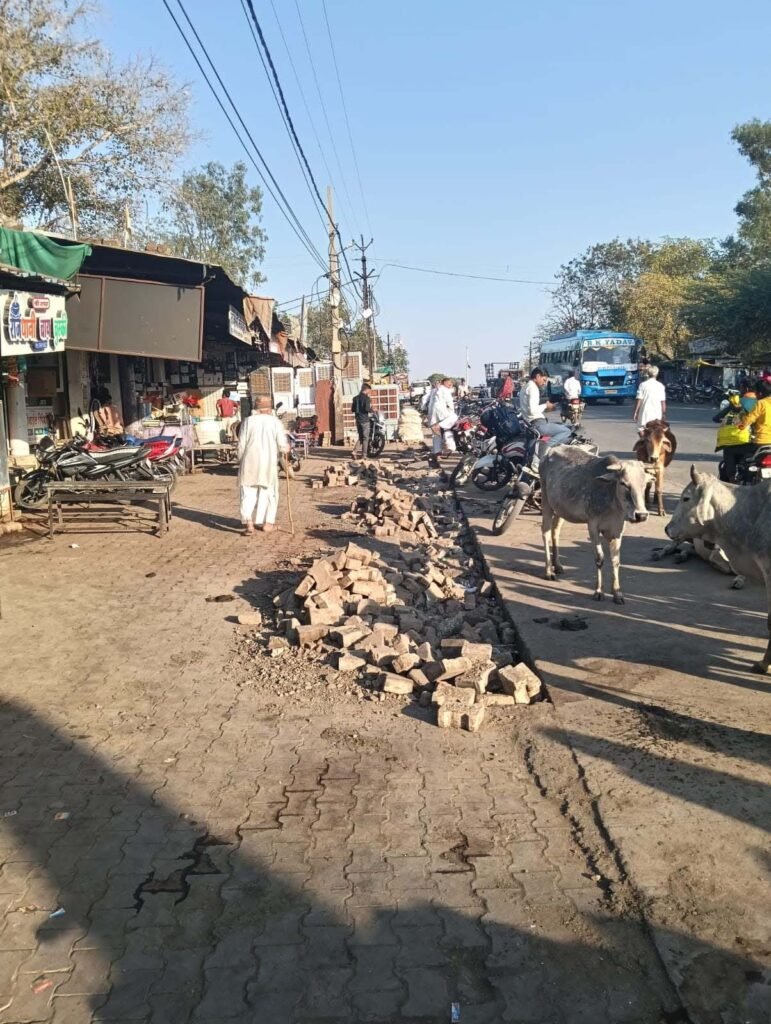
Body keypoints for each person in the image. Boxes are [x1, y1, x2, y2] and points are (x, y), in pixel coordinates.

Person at [237, 395, 288, 536]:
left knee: (247, 493)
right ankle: (267, 523)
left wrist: (240, 461)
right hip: (268, 463)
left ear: (256, 408)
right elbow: (283, 446)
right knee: (270, 493)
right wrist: (285, 449)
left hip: (249, 461)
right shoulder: (275, 422)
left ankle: (249, 523)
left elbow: (241, 445)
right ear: (269, 408)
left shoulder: (248, 421)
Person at [519, 367, 572, 448]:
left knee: (564, 425)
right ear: (537, 377)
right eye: (544, 380)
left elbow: (531, 408)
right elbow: (532, 410)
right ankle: (545, 448)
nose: (544, 383)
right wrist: (546, 405)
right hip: (538, 424)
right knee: (566, 431)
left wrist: (547, 407)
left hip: (532, 424)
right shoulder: (533, 388)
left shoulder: (525, 387)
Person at [714, 384, 757, 482]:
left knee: (729, 452)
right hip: (757, 443)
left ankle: (731, 479)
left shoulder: (742, 406)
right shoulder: (759, 406)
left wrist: (731, 408)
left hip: (743, 443)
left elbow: (716, 418)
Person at [428, 376, 458, 465]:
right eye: (449, 384)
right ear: (444, 383)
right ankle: (450, 446)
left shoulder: (434, 390)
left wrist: (429, 415)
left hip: (433, 413)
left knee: (436, 434)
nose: (450, 385)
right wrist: (451, 412)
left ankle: (437, 452)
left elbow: (428, 402)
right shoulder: (445, 390)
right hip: (442, 413)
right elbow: (450, 403)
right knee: (451, 422)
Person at [633, 366, 667, 431]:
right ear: (657, 374)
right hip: (657, 414)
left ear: (648, 373)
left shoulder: (643, 385)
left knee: (640, 429)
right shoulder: (660, 386)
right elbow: (663, 402)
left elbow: (638, 400)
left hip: (644, 414)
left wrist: (635, 412)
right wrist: (663, 414)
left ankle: (645, 440)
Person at [352, 382, 373, 457]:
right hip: (365, 420)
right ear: (366, 390)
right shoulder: (367, 398)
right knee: (365, 438)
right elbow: (367, 409)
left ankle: (354, 452)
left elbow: (352, 409)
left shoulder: (355, 398)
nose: (369, 392)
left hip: (358, 420)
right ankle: (364, 455)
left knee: (360, 437)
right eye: (369, 390)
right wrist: (373, 410)